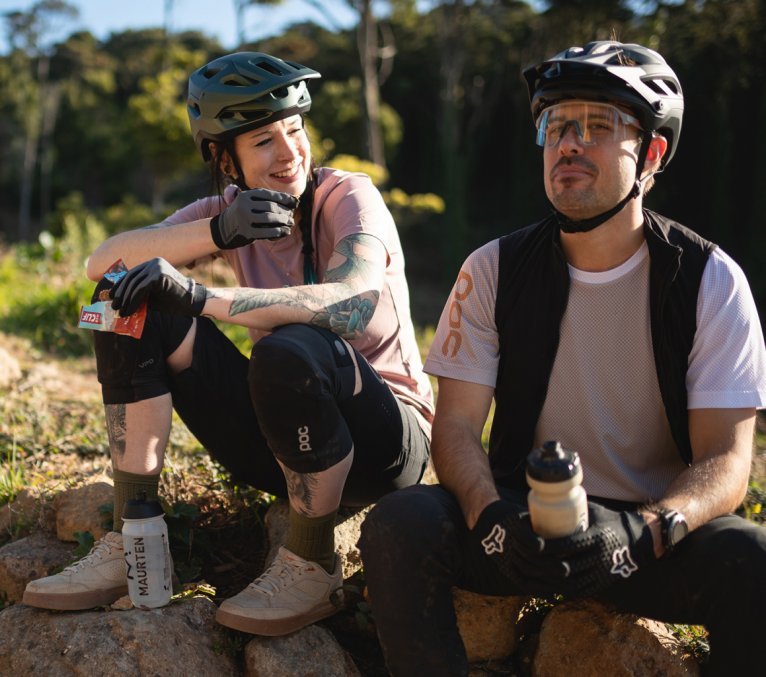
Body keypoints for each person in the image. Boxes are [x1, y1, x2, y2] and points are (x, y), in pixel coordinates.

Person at [358, 40, 766, 675]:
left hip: (645, 541)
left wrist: (648, 530)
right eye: (556, 124)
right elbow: (457, 429)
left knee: (753, 561)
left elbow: (727, 460)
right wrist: (490, 515)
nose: (568, 143)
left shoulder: (710, 280)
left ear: (652, 153)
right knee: (400, 525)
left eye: (598, 126)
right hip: (519, 526)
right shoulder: (492, 269)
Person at [22, 51, 433, 636]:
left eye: (294, 131)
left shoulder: (347, 196)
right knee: (122, 294)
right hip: (284, 441)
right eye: (264, 140)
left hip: (387, 445)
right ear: (223, 157)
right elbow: (101, 261)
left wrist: (201, 297)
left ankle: (313, 559)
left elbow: (351, 302)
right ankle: (132, 535)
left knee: (289, 345)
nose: (290, 153)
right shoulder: (227, 212)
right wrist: (218, 231)